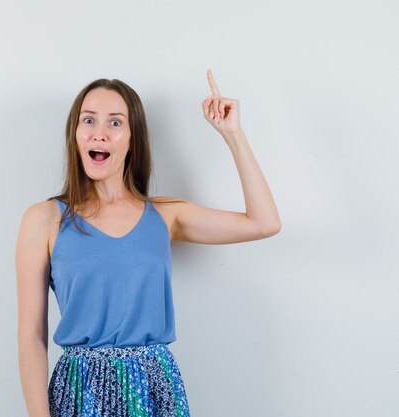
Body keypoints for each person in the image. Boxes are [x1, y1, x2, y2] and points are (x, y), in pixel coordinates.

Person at [15, 69, 281, 417]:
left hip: (153, 388)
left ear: (133, 139)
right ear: (76, 134)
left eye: (115, 122)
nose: (99, 132)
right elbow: (31, 336)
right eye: (89, 120)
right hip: (79, 393)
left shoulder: (165, 215)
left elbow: (264, 223)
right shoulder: (45, 219)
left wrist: (233, 135)